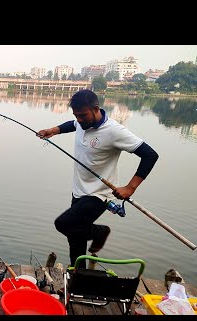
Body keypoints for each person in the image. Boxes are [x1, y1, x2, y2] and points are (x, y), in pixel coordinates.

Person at [37, 89, 159, 269]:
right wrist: (54, 130)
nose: (79, 119)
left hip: (99, 195)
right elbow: (72, 124)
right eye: (76, 115)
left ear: (96, 109)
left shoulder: (115, 131)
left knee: (63, 224)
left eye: (83, 115)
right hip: (79, 191)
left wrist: (130, 187)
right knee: (75, 239)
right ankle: (79, 276)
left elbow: (150, 155)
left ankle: (101, 232)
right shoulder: (81, 122)